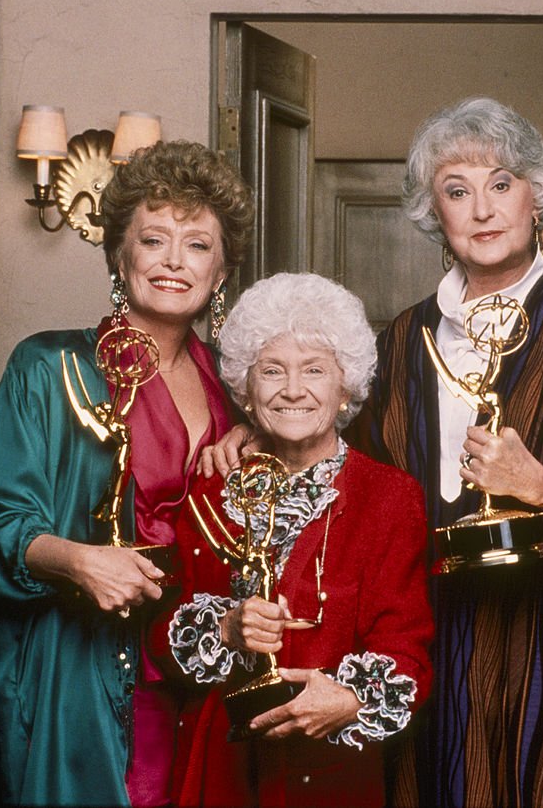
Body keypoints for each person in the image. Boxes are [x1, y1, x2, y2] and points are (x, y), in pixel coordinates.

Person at [361, 96, 543, 807]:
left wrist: (542, 483)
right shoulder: (403, 339)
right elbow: (361, 486)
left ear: (536, 198)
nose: (483, 209)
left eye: (502, 184)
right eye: (457, 191)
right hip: (435, 634)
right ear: (436, 213)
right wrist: (256, 432)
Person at [0, 140, 254, 806]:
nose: (176, 262)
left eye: (199, 246)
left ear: (224, 268)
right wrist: (79, 562)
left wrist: (255, 439)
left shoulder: (238, 391)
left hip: (206, 672)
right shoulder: (51, 370)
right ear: (120, 257)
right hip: (86, 667)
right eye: (154, 240)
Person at [160, 272, 433, 807]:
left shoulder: (390, 497)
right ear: (245, 385)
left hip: (333, 772)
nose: (292, 389)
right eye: (272, 370)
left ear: (346, 384)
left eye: (315, 370)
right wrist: (224, 627)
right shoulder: (212, 488)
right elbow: (159, 635)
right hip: (222, 767)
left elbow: (408, 651)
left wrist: (350, 699)